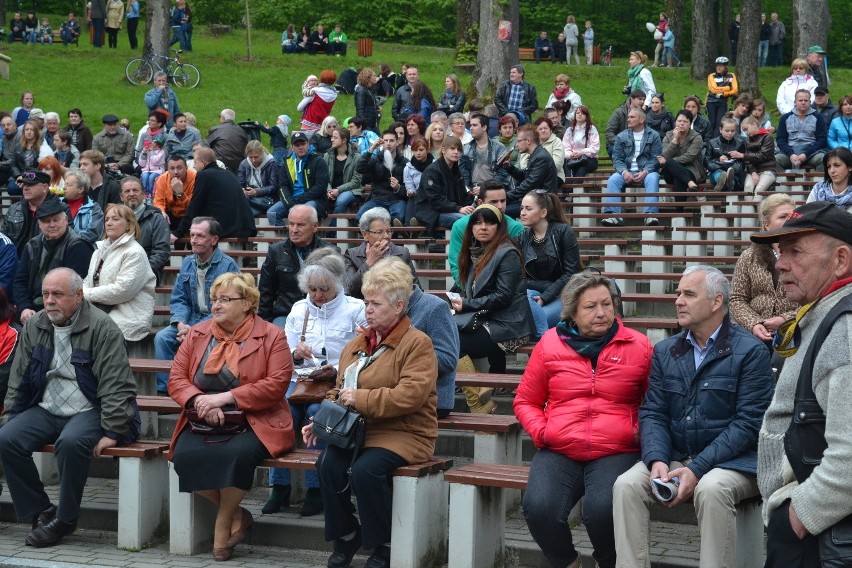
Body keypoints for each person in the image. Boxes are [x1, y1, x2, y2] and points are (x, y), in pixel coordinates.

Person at [612, 265, 775, 568]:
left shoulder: (751, 351)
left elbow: (749, 424)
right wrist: (657, 459)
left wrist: (697, 468)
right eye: (677, 293)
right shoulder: (665, 351)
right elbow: (653, 412)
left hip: (736, 462)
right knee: (626, 485)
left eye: (688, 294)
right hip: (677, 455)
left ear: (716, 302)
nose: (678, 301)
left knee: (712, 489)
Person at [303, 256, 438, 568]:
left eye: (376, 304)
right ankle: (347, 534)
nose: (368, 310)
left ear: (399, 306)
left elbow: (411, 396)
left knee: (366, 471)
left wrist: (359, 399)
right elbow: (339, 390)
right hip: (358, 431)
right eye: (366, 303)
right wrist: (321, 422)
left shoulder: (417, 344)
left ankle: (383, 543)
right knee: (326, 464)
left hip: (405, 433)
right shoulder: (357, 344)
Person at [515, 271, 651, 568]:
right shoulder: (549, 344)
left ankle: (609, 563)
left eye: (607, 304)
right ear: (572, 312)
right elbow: (526, 400)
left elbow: (654, 404)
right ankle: (567, 562)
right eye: (591, 307)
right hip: (559, 446)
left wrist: (636, 432)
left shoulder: (639, 346)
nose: (601, 313)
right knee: (540, 508)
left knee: (602, 510)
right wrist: (543, 432)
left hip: (617, 448)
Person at [0, 267, 139, 548]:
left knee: (71, 442)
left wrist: (113, 430)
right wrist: (12, 418)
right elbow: (20, 378)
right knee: (6, 438)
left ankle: (65, 518)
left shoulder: (102, 327)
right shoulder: (36, 324)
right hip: (48, 407)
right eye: (45, 294)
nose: (49, 301)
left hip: (91, 407)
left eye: (57, 294)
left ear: (79, 295)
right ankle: (41, 510)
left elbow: (116, 385)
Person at [749, 202, 852, 566]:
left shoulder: (846, 329)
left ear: (840, 261)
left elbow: (850, 458)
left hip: (818, 534)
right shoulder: (823, 312)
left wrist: (795, 519)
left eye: (795, 251)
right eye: (780, 251)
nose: (780, 263)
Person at [168, 272, 294, 561]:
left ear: (247, 303)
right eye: (214, 299)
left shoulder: (272, 335)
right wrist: (200, 400)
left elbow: (277, 384)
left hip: (255, 419)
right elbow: (176, 378)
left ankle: (223, 522)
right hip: (202, 417)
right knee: (184, 458)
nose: (216, 305)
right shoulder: (198, 333)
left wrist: (225, 398)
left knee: (237, 455)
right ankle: (239, 514)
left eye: (225, 299)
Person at [262, 250, 365, 517]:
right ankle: (279, 485)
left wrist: (337, 368)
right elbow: (284, 353)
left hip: (339, 384)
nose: (318, 294)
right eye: (312, 289)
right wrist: (296, 353)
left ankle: (316, 488)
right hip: (302, 382)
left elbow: (366, 354)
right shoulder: (299, 308)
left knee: (317, 415)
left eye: (325, 288)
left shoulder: (356, 309)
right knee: (280, 412)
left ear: (338, 283)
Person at [154, 218, 237, 394]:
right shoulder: (188, 262)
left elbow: (225, 307)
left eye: (200, 235)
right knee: (162, 338)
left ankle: (195, 389)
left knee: (203, 340)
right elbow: (179, 299)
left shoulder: (228, 266)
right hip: (190, 320)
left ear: (214, 240)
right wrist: (180, 323)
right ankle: (166, 390)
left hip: (218, 323)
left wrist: (194, 329)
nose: (194, 240)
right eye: (192, 235)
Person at [450, 203, 535, 375]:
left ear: (499, 227)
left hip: (509, 324)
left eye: (489, 222)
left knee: (450, 342)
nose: (483, 227)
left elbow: (503, 296)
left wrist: (467, 304)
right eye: (478, 222)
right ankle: (480, 391)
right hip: (486, 318)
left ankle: (480, 397)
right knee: (444, 334)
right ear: (471, 227)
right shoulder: (477, 252)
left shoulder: (507, 253)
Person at [730, 193, 799, 345]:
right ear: (767, 224)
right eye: (782, 217)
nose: (789, 220)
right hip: (754, 336)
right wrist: (755, 324)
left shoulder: (806, 255)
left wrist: (785, 319)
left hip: (796, 331)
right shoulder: (749, 256)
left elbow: (815, 299)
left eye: (792, 216)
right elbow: (737, 299)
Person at [12, 200, 94, 326]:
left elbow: (74, 289)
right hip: (31, 308)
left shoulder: (78, 247)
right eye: (46, 221)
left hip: (63, 311)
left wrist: (43, 313)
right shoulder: (31, 246)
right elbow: (20, 282)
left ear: (66, 220)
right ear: (39, 224)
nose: (51, 225)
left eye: (56, 220)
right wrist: (25, 308)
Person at [82, 204, 155, 344]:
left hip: (128, 314)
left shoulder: (134, 252)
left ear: (129, 224)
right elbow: (87, 280)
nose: (109, 223)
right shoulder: (98, 250)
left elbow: (122, 290)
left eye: (115, 219)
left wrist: (86, 294)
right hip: (99, 309)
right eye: (107, 219)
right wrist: (84, 291)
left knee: (96, 332)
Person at [517, 190, 580, 338]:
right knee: (524, 297)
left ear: (543, 212)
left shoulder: (563, 232)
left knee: (538, 319)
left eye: (528, 208)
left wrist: (546, 295)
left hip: (566, 293)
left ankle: (543, 344)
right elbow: (519, 277)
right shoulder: (521, 238)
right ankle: (545, 345)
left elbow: (571, 273)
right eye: (521, 208)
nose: (523, 213)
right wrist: (544, 290)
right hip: (534, 293)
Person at [259, 205, 334, 326]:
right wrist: (264, 326)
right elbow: (266, 291)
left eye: (300, 225)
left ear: (315, 226)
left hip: (322, 314)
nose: (294, 230)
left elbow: (338, 290)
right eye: (291, 224)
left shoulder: (329, 251)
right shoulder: (275, 251)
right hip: (285, 314)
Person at [171, 147, 257, 241]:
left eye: (195, 162)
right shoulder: (229, 174)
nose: (194, 166)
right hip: (246, 227)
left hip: (228, 229)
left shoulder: (204, 175)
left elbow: (194, 206)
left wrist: (177, 233)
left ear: (203, 163)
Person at [602, 108, 663, 227]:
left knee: (653, 177)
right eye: (628, 117)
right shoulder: (621, 136)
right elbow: (617, 159)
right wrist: (624, 172)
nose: (628, 119)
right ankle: (613, 215)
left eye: (632, 117)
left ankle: (650, 214)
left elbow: (655, 158)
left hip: (646, 171)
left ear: (642, 119)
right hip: (627, 171)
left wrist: (645, 172)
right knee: (613, 179)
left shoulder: (654, 135)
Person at [343, 207, 420, 299]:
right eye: (380, 232)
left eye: (388, 231)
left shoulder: (402, 253)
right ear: (365, 235)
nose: (386, 236)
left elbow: (416, 289)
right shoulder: (352, 255)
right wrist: (368, 263)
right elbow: (348, 290)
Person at [414, 136, 472, 235]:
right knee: (464, 220)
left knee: (476, 216)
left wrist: (472, 205)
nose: (456, 152)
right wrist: (458, 208)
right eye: (452, 148)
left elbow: (462, 196)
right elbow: (435, 200)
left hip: (450, 210)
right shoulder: (432, 171)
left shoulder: (457, 171)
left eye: (459, 149)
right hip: (431, 213)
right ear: (443, 150)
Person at [271, 131, 329, 226]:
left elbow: (321, 187)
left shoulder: (318, 161)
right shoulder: (288, 163)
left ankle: (309, 239)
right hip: (292, 200)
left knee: (304, 213)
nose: (300, 147)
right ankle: (288, 238)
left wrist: (299, 202)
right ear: (292, 148)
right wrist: (290, 204)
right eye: (297, 145)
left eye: (303, 144)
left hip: (314, 200)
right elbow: (282, 186)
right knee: (272, 213)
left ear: (308, 144)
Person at [119, 176, 170, 282]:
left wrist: (141, 271)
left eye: (135, 190)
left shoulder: (156, 218)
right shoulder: (115, 218)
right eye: (127, 191)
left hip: (148, 274)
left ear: (143, 194)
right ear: (121, 196)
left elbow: (161, 252)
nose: (131, 194)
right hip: (119, 271)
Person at [502, 124, 559, 217]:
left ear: (528, 141)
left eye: (519, 141)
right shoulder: (536, 155)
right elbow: (525, 176)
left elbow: (530, 183)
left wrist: (507, 197)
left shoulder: (541, 157)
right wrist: (509, 167)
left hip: (543, 203)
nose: (517, 144)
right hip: (535, 200)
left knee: (502, 211)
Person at [355, 129, 409, 225]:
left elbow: (409, 189)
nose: (388, 144)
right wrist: (371, 149)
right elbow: (360, 168)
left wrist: (398, 187)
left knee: (399, 217)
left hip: (397, 200)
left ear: (397, 142)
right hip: (377, 199)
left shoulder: (405, 163)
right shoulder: (375, 160)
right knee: (360, 216)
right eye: (385, 141)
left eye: (391, 141)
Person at [1, 170, 57, 255]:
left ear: (44, 188)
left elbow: (65, 243)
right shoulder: (13, 209)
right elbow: (2, 240)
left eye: (31, 184)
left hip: (46, 263)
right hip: (15, 261)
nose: (25, 188)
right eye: (24, 184)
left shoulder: (59, 209)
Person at [658, 109, 706, 203]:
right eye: (679, 121)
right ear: (675, 122)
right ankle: (690, 183)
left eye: (685, 121)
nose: (682, 124)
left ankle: (679, 214)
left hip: (691, 169)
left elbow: (689, 156)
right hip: (670, 172)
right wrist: (675, 140)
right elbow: (664, 154)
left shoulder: (696, 137)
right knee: (671, 165)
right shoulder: (669, 135)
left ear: (690, 123)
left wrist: (668, 161)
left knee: (678, 178)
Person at [775, 89, 828, 172]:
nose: (803, 102)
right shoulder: (785, 118)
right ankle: (784, 184)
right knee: (776, 160)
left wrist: (806, 154)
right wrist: (791, 154)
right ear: (795, 102)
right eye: (800, 100)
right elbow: (780, 139)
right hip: (790, 153)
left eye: (806, 100)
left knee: (823, 158)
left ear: (810, 102)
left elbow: (822, 140)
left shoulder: (818, 117)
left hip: (812, 153)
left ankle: (819, 184)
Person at [459, 113, 510, 191]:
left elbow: (503, 174)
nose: (471, 128)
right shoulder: (466, 148)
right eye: (471, 125)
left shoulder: (499, 148)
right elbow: (463, 174)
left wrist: (485, 188)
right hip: (473, 191)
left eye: (475, 125)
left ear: (484, 127)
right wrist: (468, 190)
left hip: (493, 190)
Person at [730, 116, 778, 195]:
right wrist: (753, 172)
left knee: (759, 190)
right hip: (754, 170)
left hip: (768, 169)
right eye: (744, 130)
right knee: (748, 187)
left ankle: (753, 206)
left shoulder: (767, 137)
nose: (745, 132)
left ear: (754, 124)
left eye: (746, 129)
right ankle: (749, 207)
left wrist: (743, 155)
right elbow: (747, 161)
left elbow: (762, 155)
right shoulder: (747, 140)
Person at [324, 127, 363, 222]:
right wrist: (329, 190)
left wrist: (338, 190)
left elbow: (356, 182)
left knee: (341, 200)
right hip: (330, 190)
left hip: (352, 191)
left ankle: (332, 233)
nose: (332, 139)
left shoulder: (356, 157)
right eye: (332, 137)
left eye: (335, 137)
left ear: (344, 140)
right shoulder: (327, 156)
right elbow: (323, 178)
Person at [237, 140, 280, 218]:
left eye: (256, 157)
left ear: (262, 153)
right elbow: (240, 183)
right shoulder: (244, 164)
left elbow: (274, 186)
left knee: (242, 207)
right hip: (250, 197)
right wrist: (242, 190)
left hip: (268, 198)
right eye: (250, 157)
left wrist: (256, 192)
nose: (253, 160)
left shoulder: (272, 164)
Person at [153, 155, 196, 232]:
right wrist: (162, 211)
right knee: (159, 217)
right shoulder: (163, 179)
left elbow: (193, 207)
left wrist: (180, 194)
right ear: (168, 170)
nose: (176, 172)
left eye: (179, 168)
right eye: (172, 168)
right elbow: (159, 202)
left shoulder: (195, 178)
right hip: (171, 214)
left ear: (186, 168)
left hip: (190, 216)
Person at [60, 170, 103, 246]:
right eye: (64, 184)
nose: (64, 188)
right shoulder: (57, 204)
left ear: (81, 189)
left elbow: (93, 234)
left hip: (81, 249)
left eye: (68, 185)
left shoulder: (94, 208)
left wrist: (71, 243)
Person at [704, 116, 746, 191]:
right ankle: (725, 180)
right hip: (716, 172)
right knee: (720, 174)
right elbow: (707, 162)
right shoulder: (712, 143)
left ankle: (729, 182)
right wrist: (719, 161)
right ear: (720, 130)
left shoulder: (740, 143)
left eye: (732, 131)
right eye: (727, 131)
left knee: (732, 177)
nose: (730, 133)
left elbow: (743, 164)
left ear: (736, 131)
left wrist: (732, 161)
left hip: (734, 173)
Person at [605, 90, 647, 157]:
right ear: (632, 99)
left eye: (644, 100)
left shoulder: (644, 114)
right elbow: (609, 132)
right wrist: (621, 143)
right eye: (640, 99)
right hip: (617, 143)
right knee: (618, 151)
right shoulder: (619, 112)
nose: (642, 102)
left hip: (637, 143)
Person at [562, 105, 600, 178]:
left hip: (588, 159)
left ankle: (575, 188)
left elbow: (595, 148)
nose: (579, 114)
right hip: (572, 159)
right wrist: (570, 154)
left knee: (581, 169)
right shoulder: (570, 130)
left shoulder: (592, 129)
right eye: (578, 113)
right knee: (567, 168)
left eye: (582, 113)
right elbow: (565, 147)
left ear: (586, 116)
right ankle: (568, 189)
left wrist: (581, 152)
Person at [205, 109, 248, 173]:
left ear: (222, 118)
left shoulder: (216, 130)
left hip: (220, 165)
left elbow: (206, 145)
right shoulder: (241, 131)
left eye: (219, 117)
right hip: (238, 165)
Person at [298, 70, 339, 135]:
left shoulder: (315, 91)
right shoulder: (334, 94)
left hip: (308, 124)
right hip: (323, 125)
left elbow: (299, 108)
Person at [706, 56, 739, 132]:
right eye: (717, 65)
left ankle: (717, 141)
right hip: (711, 101)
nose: (718, 67)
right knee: (712, 122)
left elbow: (735, 91)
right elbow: (713, 90)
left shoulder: (731, 76)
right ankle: (709, 140)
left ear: (726, 67)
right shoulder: (712, 76)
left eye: (721, 66)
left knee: (719, 123)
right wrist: (727, 88)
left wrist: (724, 94)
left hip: (722, 102)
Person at [533, 117, 566, 182]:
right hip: (534, 176)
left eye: (545, 128)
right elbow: (524, 162)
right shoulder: (532, 143)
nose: (543, 131)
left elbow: (557, 163)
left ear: (550, 130)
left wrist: (539, 171)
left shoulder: (557, 142)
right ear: (536, 131)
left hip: (555, 176)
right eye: (540, 129)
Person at [354, 69, 381, 133]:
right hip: (367, 125)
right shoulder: (361, 90)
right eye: (374, 76)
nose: (376, 78)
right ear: (367, 78)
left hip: (373, 123)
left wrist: (376, 108)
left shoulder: (370, 89)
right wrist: (364, 125)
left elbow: (370, 104)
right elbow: (360, 109)